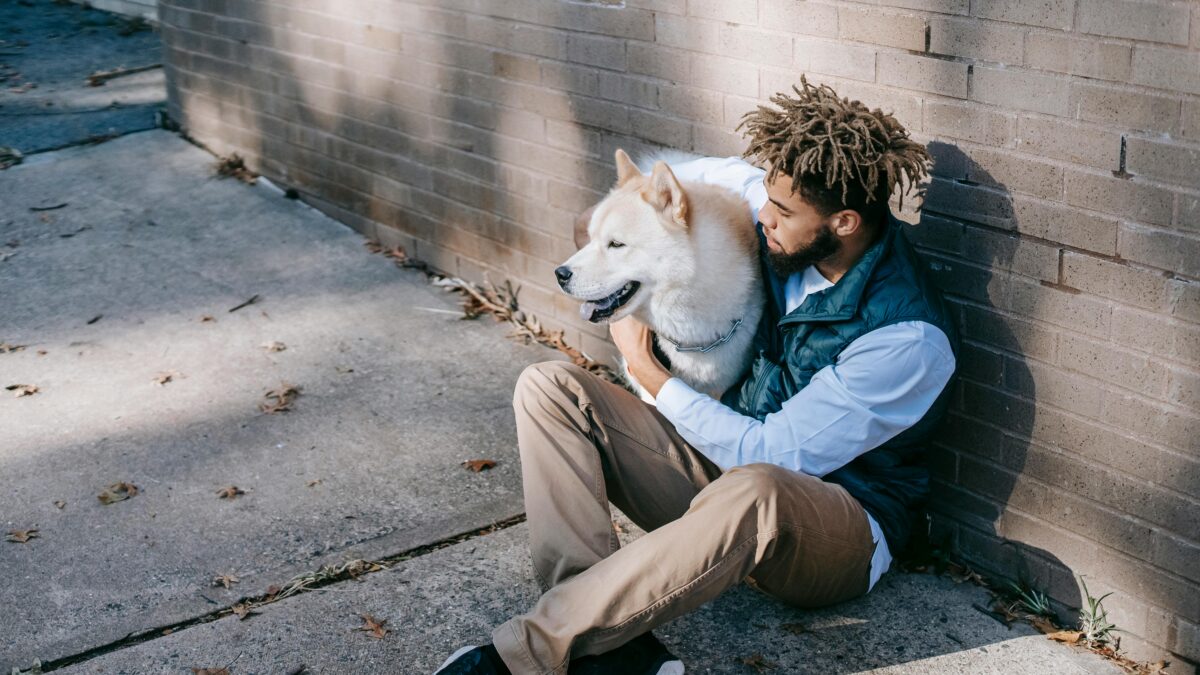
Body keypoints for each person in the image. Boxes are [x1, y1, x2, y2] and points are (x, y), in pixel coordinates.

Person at [436, 77, 959, 675]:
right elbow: (664, 179)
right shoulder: (786, 228)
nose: (762, 216)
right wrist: (605, 229)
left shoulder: (906, 338)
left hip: (836, 529)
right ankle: (607, 640)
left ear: (842, 222)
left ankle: (524, 655)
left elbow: (776, 455)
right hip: (723, 473)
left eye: (782, 212)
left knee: (757, 485)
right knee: (550, 389)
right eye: (766, 196)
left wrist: (647, 371)